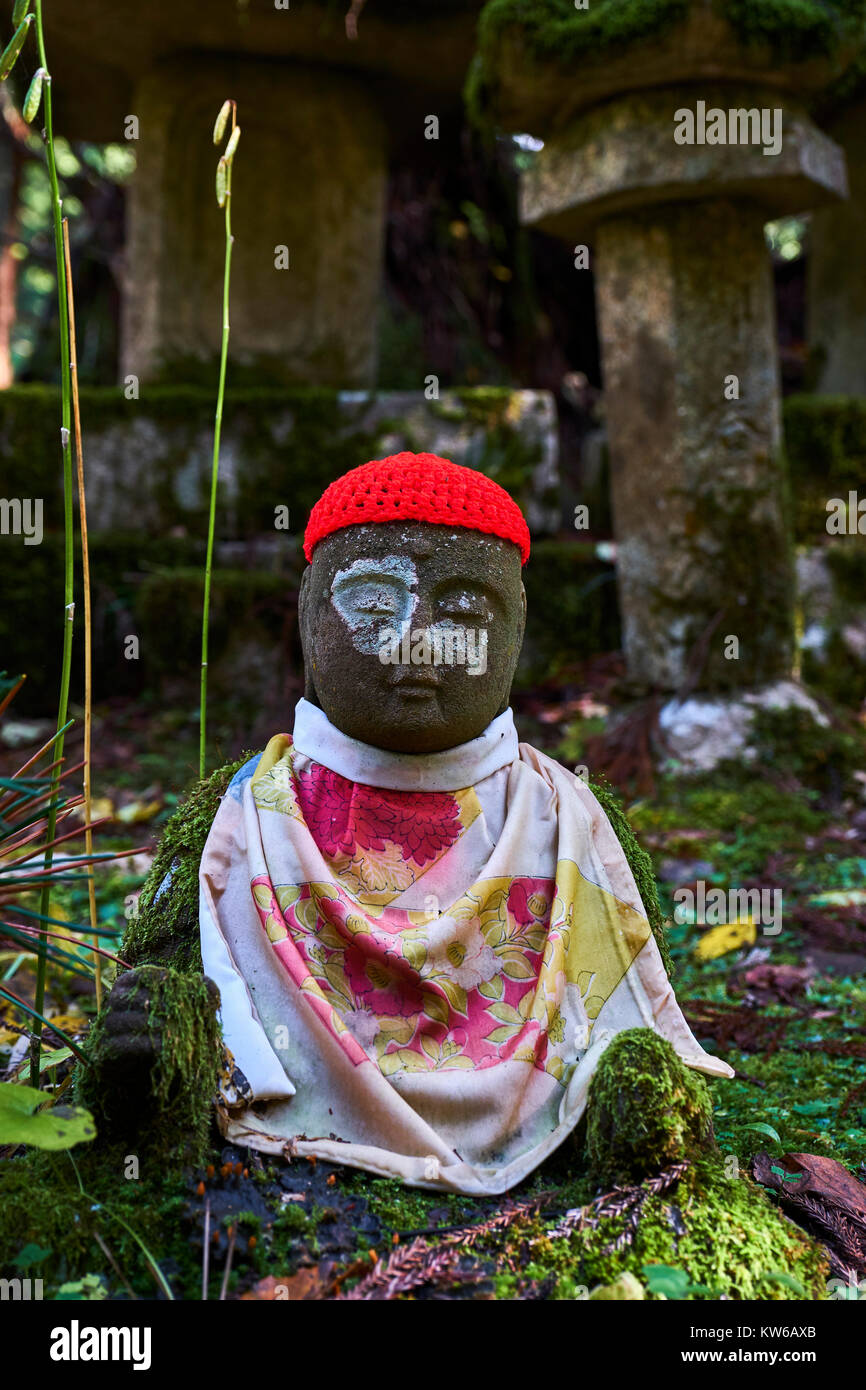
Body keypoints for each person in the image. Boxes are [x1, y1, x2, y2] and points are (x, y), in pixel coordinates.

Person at [97, 452, 732, 1194]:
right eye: (372, 605)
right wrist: (149, 1041)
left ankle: (602, 1132)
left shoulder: (563, 815)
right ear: (310, 616)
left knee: (632, 1074)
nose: (418, 639)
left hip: (529, 1095)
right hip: (286, 1135)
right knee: (162, 1030)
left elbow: (613, 994)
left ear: (516, 627)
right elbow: (169, 971)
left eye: (464, 610)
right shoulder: (241, 816)